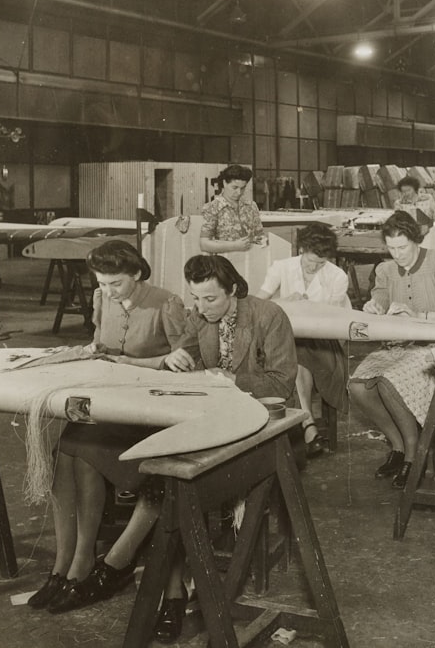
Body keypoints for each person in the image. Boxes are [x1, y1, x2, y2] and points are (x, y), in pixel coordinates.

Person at [27, 240, 188, 616]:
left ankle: (82, 564)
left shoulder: (166, 303)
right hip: (111, 403)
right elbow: (100, 344)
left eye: (116, 283)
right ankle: (65, 564)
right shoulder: (102, 299)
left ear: (136, 274)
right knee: (68, 449)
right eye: (101, 283)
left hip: (150, 411)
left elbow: (185, 361)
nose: (108, 291)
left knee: (80, 449)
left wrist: (126, 362)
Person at [158, 255, 297, 642]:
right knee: (172, 473)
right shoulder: (201, 315)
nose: (200, 309)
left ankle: (191, 582)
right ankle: (180, 583)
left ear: (234, 290)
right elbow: (183, 358)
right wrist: (174, 359)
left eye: (210, 300)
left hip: (266, 421)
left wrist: (231, 378)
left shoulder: (269, 316)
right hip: (218, 416)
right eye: (195, 299)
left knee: (188, 477)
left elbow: (282, 383)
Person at [348, 211, 435, 490]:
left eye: (402, 247)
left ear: (416, 240)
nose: (397, 254)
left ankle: (413, 455)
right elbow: (379, 300)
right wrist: (374, 308)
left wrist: (419, 314)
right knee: (357, 386)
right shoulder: (385, 270)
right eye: (391, 248)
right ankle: (398, 445)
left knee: (391, 382)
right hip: (398, 345)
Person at [257, 223, 351, 457]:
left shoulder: (337, 276)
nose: (314, 267)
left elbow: (334, 318)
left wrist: (310, 308)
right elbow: (257, 304)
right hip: (289, 340)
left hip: (323, 342)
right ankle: (308, 424)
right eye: (310, 261)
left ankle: (305, 425)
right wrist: (285, 301)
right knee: (294, 359)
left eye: (321, 263)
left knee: (292, 358)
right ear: (301, 250)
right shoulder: (281, 267)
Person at [199, 164, 264, 253]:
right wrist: (233, 246)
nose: (238, 192)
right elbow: (204, 244)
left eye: (242, 188)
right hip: (224, 262)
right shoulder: (212, 207)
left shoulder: (251, 206)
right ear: (225, 183)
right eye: (234, 187)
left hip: (250, 260)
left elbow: (260, 236)